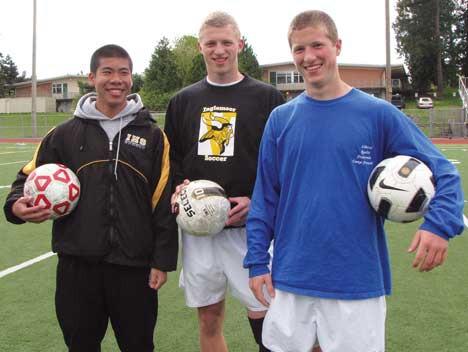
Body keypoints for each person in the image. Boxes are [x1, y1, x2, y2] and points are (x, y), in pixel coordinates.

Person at [244, 10, 464, 352]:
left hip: (356, 279)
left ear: (337, 46)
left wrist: (439, 225)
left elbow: (443, 171)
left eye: (317, 45)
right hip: (290, 276)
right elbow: (265, 200)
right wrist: (258, 260)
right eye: (299, 49)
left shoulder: (378, 114)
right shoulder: (280, 119)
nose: (309, 57)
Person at [3, 44, 178, 352]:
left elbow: (162, 201)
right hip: (77, 268)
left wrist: (161, 260)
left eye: (123, 72)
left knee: (139, 346)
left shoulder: (152, 135)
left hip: (133, 268)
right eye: (107, 72)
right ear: (92, 77)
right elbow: (25, 179)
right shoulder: (63, 134)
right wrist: (16, 205)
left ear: (131, 78)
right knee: (81, 345)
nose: (116, 79)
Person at [164, 11, 285, 352]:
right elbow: (171, 161)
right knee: (209, 319)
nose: (219, 50)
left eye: (226, 43)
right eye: (211, 44)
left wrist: (256, 203)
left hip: (251, 230)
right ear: (200, 48)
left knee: (269, 316)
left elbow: (280, 165)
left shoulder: (267, 99)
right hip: (198, 232)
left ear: (239, 45)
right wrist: (178, 189)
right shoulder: (182, 101)